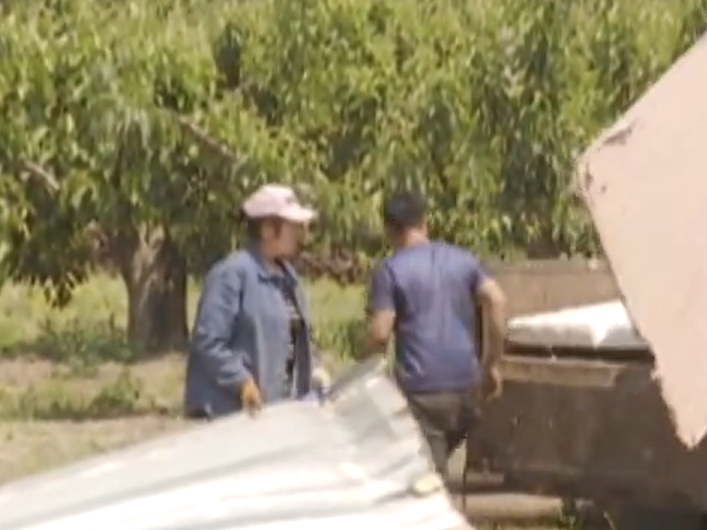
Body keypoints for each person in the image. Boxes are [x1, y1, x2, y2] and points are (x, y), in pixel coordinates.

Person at [361, 189, 510, 471]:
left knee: (428, 479)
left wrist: (362, 363)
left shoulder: (390, 271)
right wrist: (491, 364)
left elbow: (381, 333)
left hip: (422, 395)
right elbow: (497, 299)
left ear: (390, 231)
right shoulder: (464, 260)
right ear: (424, 223)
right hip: (466, 388)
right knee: (436, 468)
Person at [183, 184, 324, 419]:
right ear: (268, 229)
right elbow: (208, 343)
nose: (300, 234)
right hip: (233, 414)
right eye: (293, 227)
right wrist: (242, 382)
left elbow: (299, 337)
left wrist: (316, 371)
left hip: (280, 411)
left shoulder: (289, 279)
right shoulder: (232, 274)